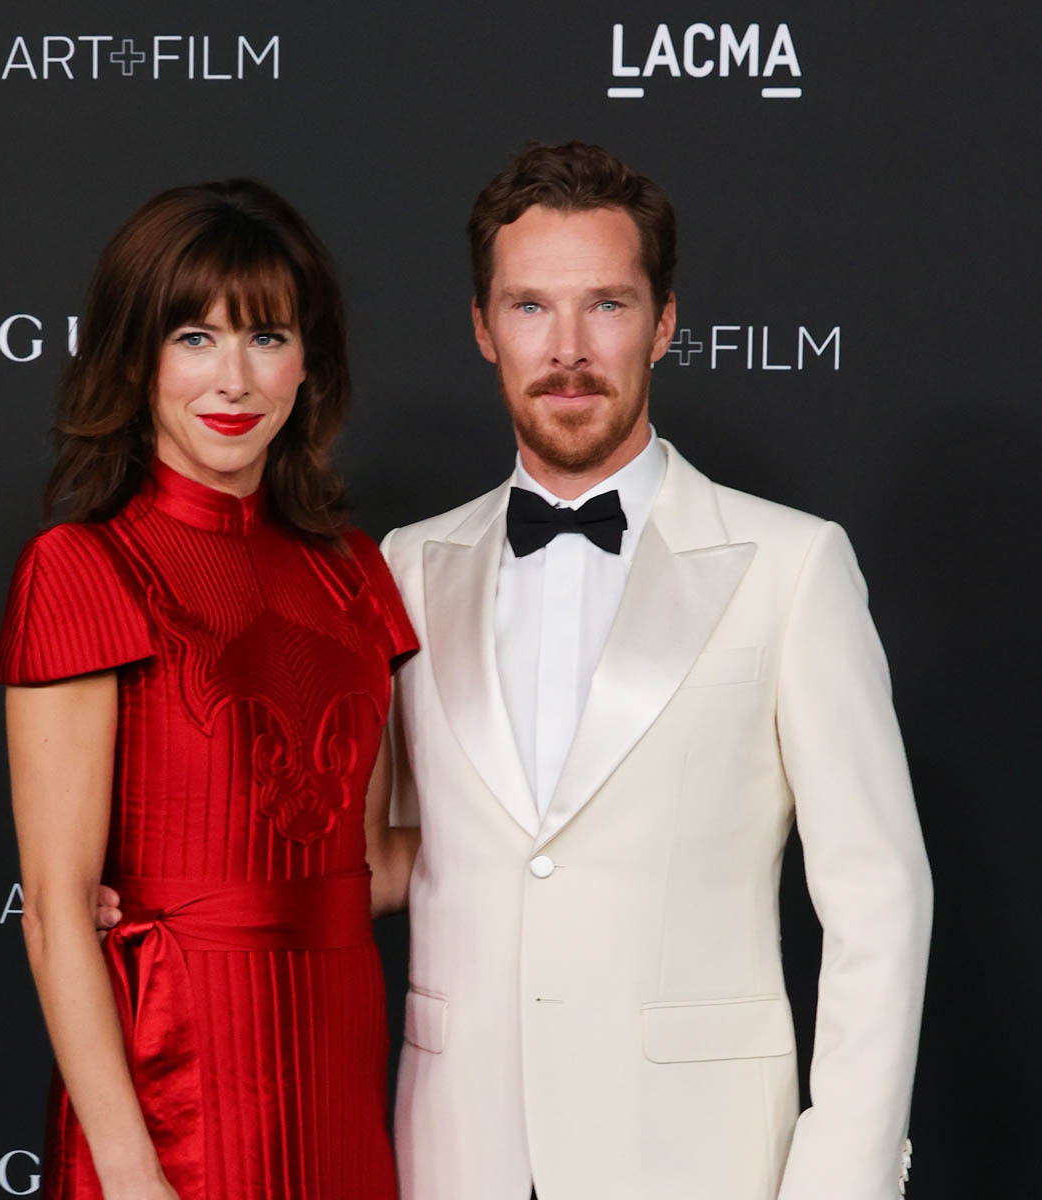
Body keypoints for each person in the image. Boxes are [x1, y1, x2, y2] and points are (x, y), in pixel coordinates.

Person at [378, 143, 932, 1200]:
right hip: (454, 1157)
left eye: (607, 305)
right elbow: (374, 851)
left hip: (701, 1162)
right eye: (531, 307)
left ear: (665, 323)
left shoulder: (791, 565)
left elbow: (879, 901)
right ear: (483, 327)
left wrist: (839, 1180)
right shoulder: (405, 566)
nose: (569, 350)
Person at [0, 179, 417, 1200]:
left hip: (339, 1076)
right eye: (195, 337)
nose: (234, 379)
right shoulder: (84, 567)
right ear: (134, 358)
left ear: (307, 361)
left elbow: (371, 864)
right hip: (176, 1087)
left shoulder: (354, 572)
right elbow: (56, 912)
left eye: (267, 336)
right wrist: (132, 1174)